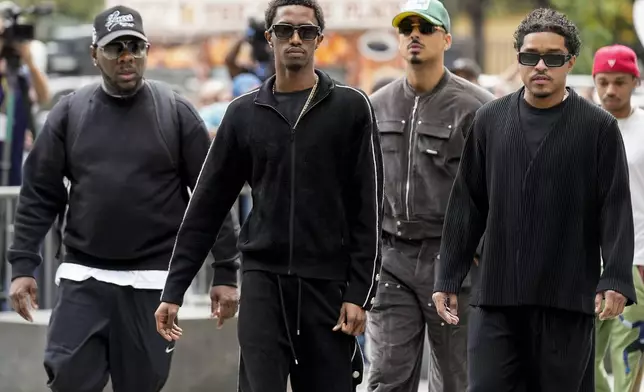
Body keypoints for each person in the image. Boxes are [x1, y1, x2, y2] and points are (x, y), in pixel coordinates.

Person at [7, 5, 240, 392]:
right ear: (95, 53)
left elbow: (210, 198)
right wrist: (23, 266)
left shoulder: (177, 112)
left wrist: (226, 272)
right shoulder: (70, 113)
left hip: (153, 285)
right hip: (84, 277)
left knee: (143, 384)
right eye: (116, 48)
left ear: (147, 50)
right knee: (67, 378)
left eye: (135, 46)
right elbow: (38, 194)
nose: (127, 56)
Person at [154, 0, 384, 391]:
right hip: (264, 284)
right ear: (269, 38)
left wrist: (360, 293)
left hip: (327, 287)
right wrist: (173, 289)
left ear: (319, 40)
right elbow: (206, 207)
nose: (295, 39)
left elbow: (370, 210)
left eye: (306, 32)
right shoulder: (243, 113)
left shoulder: (351, 107)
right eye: (284, 31)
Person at [432, 8, 637, 391]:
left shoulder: (598, 128)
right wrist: (448, 275)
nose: (540, 65)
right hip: (497, 296)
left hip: (567, 297)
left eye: (553, 58)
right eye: (530, 56)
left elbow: (615, 207)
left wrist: (615, 276)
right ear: (519, 59)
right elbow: (467, 204)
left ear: (570, 61)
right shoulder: (489, 120)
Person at [366, 1, 494, 391]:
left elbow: (498, 189)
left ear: (447, 38)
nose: (415, 35)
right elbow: (361, 187)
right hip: (392, 261)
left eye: (426, 27)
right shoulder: (376, 105)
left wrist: (479, 252)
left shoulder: (478, 107)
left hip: (453, 263)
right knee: (386, 377)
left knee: (457, 380)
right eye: (407, 28)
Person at [592, 44, 644, 392]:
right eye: (604, 81)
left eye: (620, 82)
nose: (611, 90)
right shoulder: (581, 126)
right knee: (581, 352)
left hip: (637, 260)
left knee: (627, 355)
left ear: (634, 82)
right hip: (585, 260)